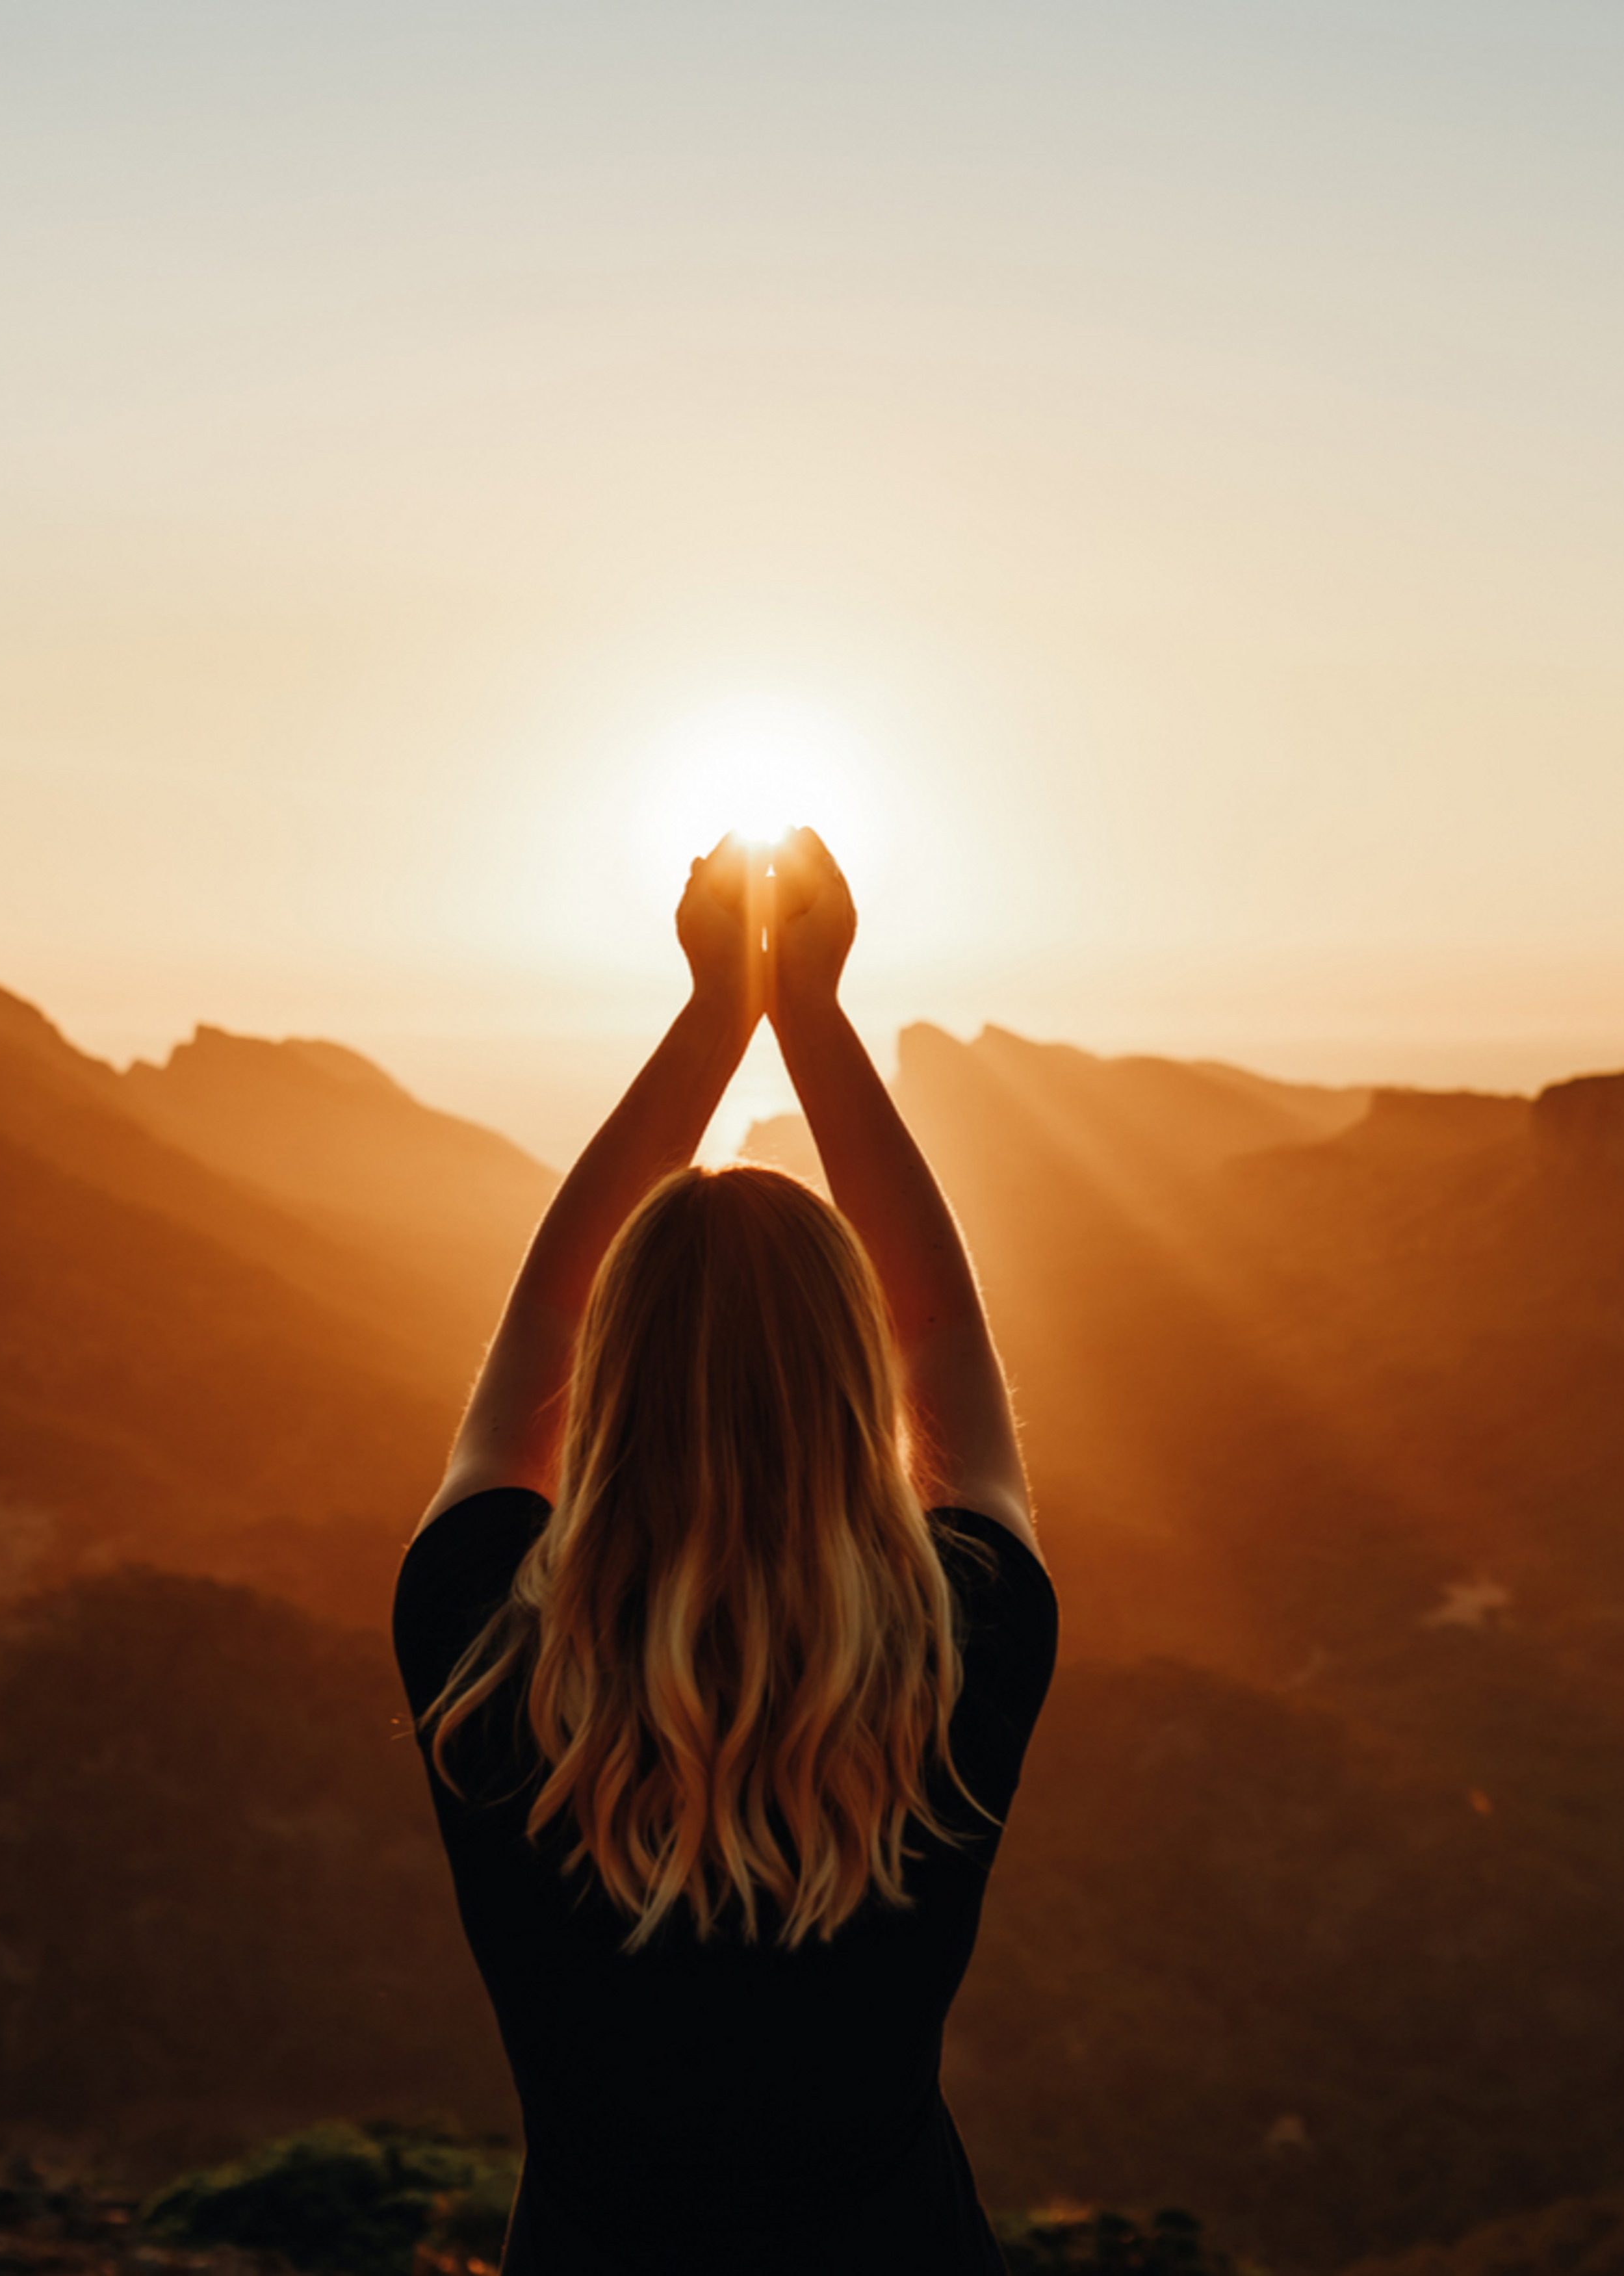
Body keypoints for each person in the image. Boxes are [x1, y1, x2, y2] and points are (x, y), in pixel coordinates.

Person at [391, 827, 1057, 2273]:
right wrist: (809, 1015)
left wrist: (710, 1013)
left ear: (610, 1382)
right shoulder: (956, 1653)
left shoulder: (485, 1653)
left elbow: (529, 1348)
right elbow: (948, 1340)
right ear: (849, 1382)